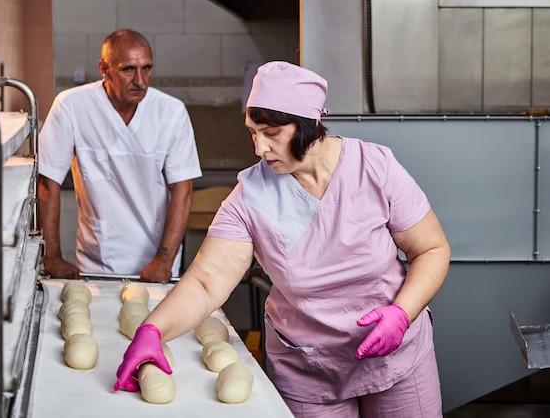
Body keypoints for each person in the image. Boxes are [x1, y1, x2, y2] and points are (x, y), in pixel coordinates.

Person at [113, 61, 451, 417]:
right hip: (309, 371)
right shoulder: (250, 196)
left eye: (271, 132)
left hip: (394, 359)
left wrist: (402, 312)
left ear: (309, 124)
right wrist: (153, 329)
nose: (259, 148)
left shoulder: (375, 168)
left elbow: (431, 248)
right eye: (252, 132)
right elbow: (205, 282)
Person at [38, 29, 201, 283]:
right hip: (98, 259)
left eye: (146, 68)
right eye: (128, 69)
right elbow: (47, 182)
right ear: (104, 69)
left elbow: (184, 190)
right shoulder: (72, 106)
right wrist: (52, 257)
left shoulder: (171, 112)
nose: (140, 80)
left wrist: (164, 260)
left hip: (156, 259)